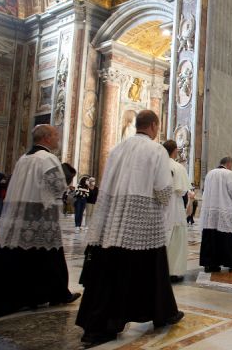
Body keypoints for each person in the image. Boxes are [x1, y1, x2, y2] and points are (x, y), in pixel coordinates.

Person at [76, 110, 183, 345]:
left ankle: (101, 324)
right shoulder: (156, 150)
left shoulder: (117, 148)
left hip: (112, 221)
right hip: (143, 221)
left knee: (111, 270)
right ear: (154, 126)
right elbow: (164, 190)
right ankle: (161, 313)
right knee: (150, 270)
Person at [0, 125, 81, 318]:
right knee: (48, 255)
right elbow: (58, 186)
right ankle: (56, 293)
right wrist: (67, 176)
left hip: (20, 214)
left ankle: (29, 295)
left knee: (20, 254)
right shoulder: (47, 158)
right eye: (56, 136)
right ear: (46, 138)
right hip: (41, 214)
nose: (58, 139)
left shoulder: (24, 158)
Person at [199, 156, 232, 273]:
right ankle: (231, 262)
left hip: (210, 210)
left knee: (211, 237)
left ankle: (210, 264)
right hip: (224, 208)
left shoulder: (210, 174)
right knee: (227, 236)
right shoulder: (228, 174)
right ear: (229, 164)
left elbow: (205, 191)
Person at [162, 140, 190, 283]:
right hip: (175, 206)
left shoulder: (158, 164)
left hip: (160, 206)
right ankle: (173, 270)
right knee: (176, 239)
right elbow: (183, 190)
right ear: (174, 151)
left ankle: (159, 269)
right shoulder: (178, 167)